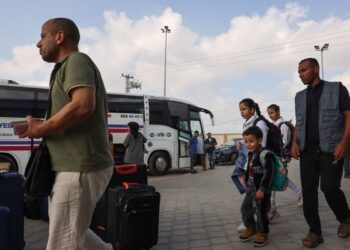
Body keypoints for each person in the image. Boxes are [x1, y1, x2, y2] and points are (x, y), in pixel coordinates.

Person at [20, 18, 114, 249]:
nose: (38, 44)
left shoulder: (76, 61)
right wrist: (45, 124)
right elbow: (75, 111)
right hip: (70, 167)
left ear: (59, 37)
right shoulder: (63, 68)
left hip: (79, 168)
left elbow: (82, 105)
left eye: (43, 36)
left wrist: (40, 129)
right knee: (69, 229)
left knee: (62, 241)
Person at [292, 57, 350, 248]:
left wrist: (344, 142)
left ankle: (346, 218)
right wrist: (294, 142)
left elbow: (348, 116)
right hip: (307, 151)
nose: (301, 74)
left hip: (331, 149)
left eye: (304, 70)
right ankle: (315, 231)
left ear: (316, 69)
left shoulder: (336, 89)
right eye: (299, 71)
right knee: (308, 192)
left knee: (329, 187)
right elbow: (299, 122)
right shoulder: (299, 96)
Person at [239, 126, 273, 247]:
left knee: (260, 212)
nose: (249, 144)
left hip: (261, 189)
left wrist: (262, 188)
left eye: (251, 141)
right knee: (245, 208)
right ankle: (251, 227)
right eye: (246, 142)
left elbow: (269, 173)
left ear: (259, 140)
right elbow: (249, 170)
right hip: (251, 188)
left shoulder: (266, 154)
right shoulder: (251, 153)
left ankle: (263, 233)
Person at [267, 104, 303, 207]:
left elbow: (284, 142)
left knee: (275, 178)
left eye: (272, 112)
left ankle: (271, 206)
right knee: (278, 178)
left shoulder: (282, 125)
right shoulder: (274, 125)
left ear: (278, 112)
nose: (270, 115)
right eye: (269, 113)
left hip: (280, 156)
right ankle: (300, 192)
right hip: (275, 156)